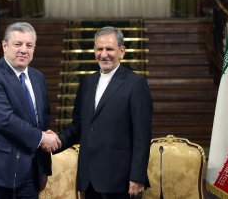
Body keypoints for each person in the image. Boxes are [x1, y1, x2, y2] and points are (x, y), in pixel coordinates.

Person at [0, 22, 61, 199]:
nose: (24, 50)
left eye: (29, 45)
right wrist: (42, 138)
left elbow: (41, 121)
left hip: (29, 176)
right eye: (18, 44)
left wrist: (44, 168)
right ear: (4, 46)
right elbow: (4, 120)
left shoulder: (38, 77)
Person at [53, 26, 153, 198]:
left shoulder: (136, 84)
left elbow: (141, 136)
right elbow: (78, 126)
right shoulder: (87, 83)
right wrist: (56, 141)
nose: (104, 54)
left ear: (122, 51)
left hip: (120, 180)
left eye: (109, 49)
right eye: (99, 49)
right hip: (89, 178)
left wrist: (137, 177)